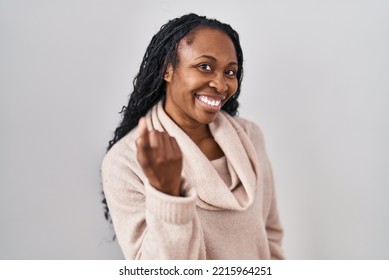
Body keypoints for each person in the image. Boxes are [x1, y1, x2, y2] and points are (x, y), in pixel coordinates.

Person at [101, 13, 284, 260]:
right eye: (205, 67)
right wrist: (167, 193)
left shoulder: (250, 138)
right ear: (168, 68)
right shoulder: (126, 162)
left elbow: (270, 234)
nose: (221, 85)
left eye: (230, 72)